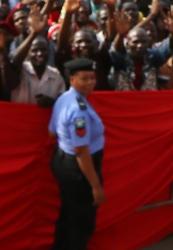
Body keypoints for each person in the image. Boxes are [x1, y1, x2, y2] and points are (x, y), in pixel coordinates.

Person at [49, 58, 105, 250]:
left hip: (62, 161)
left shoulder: (64, 98)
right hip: (79, 169)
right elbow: (81, 151)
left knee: (68, 215)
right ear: (72, 80)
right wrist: (95, 186)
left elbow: (51, 132)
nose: (90, 82)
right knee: (82, 224)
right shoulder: (78, 110)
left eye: (92, 78)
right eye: (84, 78)